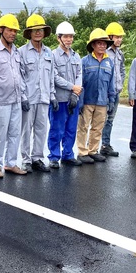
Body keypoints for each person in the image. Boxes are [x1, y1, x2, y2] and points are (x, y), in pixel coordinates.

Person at [0, 14, 27, 178]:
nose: (12, 34)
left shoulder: (16, 52)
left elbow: (20, 76)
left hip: (15, 100)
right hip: (0, 101)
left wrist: (23, 97)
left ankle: (10, 163)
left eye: (15, 31)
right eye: (9, 30)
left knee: (15, 133)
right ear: (1, 30)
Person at [19, 14, 57, 172]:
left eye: (40, 30)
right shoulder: (22, 52)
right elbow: (20, 77)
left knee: (41, 129)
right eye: (34, 30)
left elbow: (51, 76)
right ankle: (26, 160)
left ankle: (37, 158)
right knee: (26, 131)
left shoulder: (49, 53)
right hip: (29, 98)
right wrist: (23, 97)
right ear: (29, 33)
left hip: (44, 98)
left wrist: (53, 95)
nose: (38, 33)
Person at [76, 28, 116, 164]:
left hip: (102, 101)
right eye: (99, 43)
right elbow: (79, 82)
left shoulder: (109, 62)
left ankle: (93, 151)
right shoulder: (84, 61)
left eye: (104, 43)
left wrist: (111, 100)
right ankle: (82, 152)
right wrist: (79, 100)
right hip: (87, 100)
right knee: (82, 127)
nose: (102, 46)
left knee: (97, 128)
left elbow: (111, 83)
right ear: (93, 45)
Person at [48, 21, 83, 168]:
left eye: (71, 37)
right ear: (59, 38)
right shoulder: (53, 55)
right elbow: (54, 77)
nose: (69, 39)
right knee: (57, 129)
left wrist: (76, 92)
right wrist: (72, 87)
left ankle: (68, 154)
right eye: (66, 37)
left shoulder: (76, 56)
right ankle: (54, 156)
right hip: (60, 99)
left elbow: (80, 74)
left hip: (73, 99)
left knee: (71, 129)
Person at [100, 22, 126, 157]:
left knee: (110, 119)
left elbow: (122, 70)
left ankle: (105, 144)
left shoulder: (119, 54)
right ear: (110, 37)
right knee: (100, 120)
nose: (119, 40)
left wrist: (120, 84)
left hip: (115, 92)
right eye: (117, 37)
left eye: (121, 37)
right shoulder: (104, 52)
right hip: (104, 93)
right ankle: (91, 146)